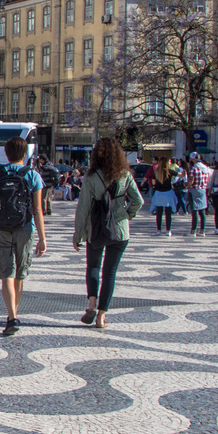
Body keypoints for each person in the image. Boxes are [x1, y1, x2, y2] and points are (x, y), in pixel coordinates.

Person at [72, 138, 143, 330]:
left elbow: (83, 207)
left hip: (96, 228)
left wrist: (78, 234)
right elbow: (138, 201)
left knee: (93, 267)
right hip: (119, 230)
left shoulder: (91, 177)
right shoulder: (125, 175)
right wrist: (127, 214)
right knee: (110, 272)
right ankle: (102, 315)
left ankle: (91, 305)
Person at [0, 137, 46, 336]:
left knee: (6, 275)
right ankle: (14, 315)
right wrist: (42, 238)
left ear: (6, 153)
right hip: (26, 228)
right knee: (20, 274)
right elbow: (37, 209)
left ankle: (11, 317)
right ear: (25, 154)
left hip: (2, 228)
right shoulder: (33, 175)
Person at [147, 158, 177, 236]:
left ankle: (158, 230)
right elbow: (180, 174)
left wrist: (154, 186)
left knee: (159, 213)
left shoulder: (156, 171)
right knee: (168, 213)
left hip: (159, 193)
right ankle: (168, 230)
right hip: (168, 193)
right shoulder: (169, 171)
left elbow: (153, 182)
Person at [186, 152, 211, 236]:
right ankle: (202, 231)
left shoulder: (194, 168)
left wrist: (186, 185)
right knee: (202, 211)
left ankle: (193, 231)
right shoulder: (205, 168)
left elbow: (191, 180)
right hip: (203, 190)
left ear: (193, 159)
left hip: (194, 190)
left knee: (195, 210)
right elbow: (207, 180)